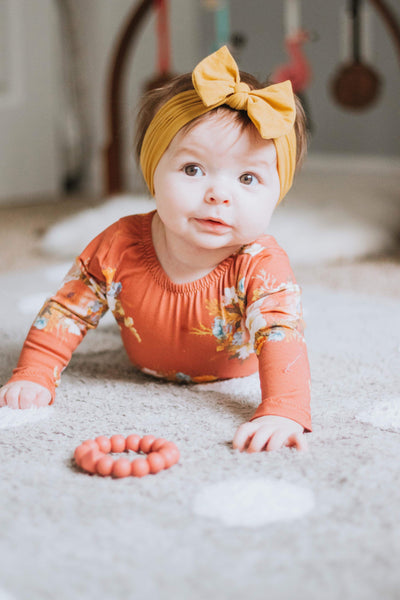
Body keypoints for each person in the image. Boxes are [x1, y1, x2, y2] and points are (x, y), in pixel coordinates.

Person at [0, 46, 311, 452]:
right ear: (153, 172)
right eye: (192, 169)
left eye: (248, 178)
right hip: (142, 360)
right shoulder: (119, 243)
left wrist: (283, 408)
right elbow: (67, 310)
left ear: (277, 196)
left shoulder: (261, 264)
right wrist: (33, 373)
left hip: (235, 370)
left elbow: (279, 334)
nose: (219, 194)